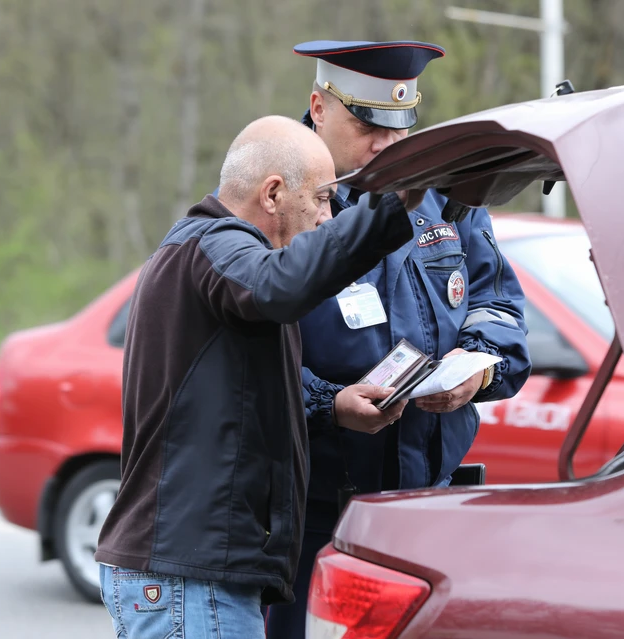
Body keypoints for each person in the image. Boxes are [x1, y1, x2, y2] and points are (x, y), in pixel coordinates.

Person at [93, 115, 423, 639]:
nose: (328, 214)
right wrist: (393, 203)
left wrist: (332, 404)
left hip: (194, 576)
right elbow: (278, 286)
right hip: (191, 582)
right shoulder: (215, 244)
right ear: (272, 195)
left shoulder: (205, 257)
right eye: (319, 199)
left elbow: (237, 394)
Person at [263, 41, 534, 638]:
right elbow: (245, 355)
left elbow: (499, 307)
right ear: (319, 107)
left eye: (399, 126)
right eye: (367, 126)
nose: (386, 146)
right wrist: (328, 405)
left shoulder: (446, 197)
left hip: (427, 508)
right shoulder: (278, 198)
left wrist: (478, 366)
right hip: (317, 519)